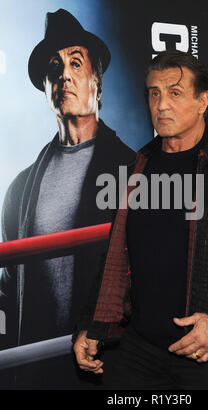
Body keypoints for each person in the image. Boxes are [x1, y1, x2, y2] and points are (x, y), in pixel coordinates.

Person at [73, 50, 208, 390]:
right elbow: (116, 258)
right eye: (154, 93)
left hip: (205, 358)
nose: (162, 105)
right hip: (136, 354)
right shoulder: (135, 169)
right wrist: (92, 324)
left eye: (175, 93)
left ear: (203, 101)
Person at [0, 9, 135, 389]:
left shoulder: (135, 172)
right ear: (45, 87)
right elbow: (8, 291)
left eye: (76, 62)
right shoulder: (19, 190)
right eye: (54, 66)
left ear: (97, 80)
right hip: (37, 371)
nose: (64, 73)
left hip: (106, 366)